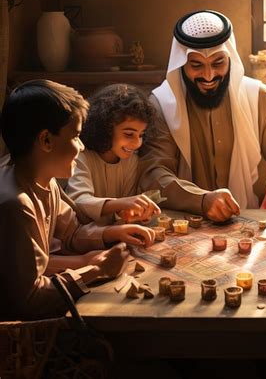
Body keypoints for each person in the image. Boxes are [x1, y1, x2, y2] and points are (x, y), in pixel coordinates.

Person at [0, 80, 156, 320]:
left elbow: (72, 232)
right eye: (76, 137)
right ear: (46, 141)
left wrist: (116, 232)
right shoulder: (16, 205)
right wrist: (94, 270)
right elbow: (29, 301)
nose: (82, 146)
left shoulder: (45, 181)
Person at [139, 10, 266, 221]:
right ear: (182, 64)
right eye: (196, 65)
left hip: (246, 219)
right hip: (185, 224)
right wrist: (201, 200)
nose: (208, 76)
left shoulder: (259, 97)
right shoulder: (161, 105)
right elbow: (154, 175)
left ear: (230, 59)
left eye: (218, 63)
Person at [66, 84, 160, 225]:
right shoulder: (81, 157)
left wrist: (134, 212)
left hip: (113, 234)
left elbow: (124, 209)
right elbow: (79, 201)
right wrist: (122, 204)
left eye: (141, 135)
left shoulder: (130, 160)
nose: (137, 143)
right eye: (129, 134)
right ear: (106, 128)